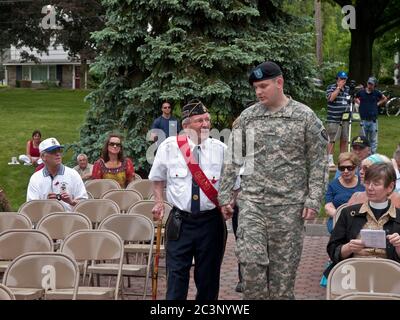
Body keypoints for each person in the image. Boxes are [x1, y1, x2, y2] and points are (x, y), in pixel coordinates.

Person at [218, 61, 329, 300]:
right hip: (253, 206)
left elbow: (319, 162)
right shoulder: (248, 117)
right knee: (251, 267)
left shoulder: (305, 117)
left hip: (289, 210)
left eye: (263, 86)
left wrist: (313, 200)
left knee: (282, 283)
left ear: (279, 83)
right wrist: (225, 196)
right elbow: (232, 159)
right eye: (256, 87)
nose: (258, 92)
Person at [149, 99, 227, 300]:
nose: (205, 124)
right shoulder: (169, 146)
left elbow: (233, 184)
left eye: (207, 120)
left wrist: (230, 202)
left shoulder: (220, 149)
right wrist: (158, 201)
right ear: (186, 125)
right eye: (200, 120)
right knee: (176, 277)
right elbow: (157, 179)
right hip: (180, 222)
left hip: (211, 223)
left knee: (208, 280)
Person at [327, 163, 400, 273]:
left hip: (390, 275)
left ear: (390, 187)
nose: (370, 188)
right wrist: (349, 247)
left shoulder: (398, 216)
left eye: (376, 184)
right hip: (353, 273)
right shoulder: (348, 213)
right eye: (367, 182)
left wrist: (399, 246)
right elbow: (332, 251)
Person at [27, 137, 88, 211]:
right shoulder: (36, 178)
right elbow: (31, 208)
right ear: (43, 157)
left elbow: (85, 205)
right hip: (44, 221)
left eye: (59, 150)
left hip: (69, 220)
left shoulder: (73, 174)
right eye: (53, 151)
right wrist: (46, 204)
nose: (58, 154)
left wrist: (71, 202)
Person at [325, 152, 365, 233]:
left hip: (361, 218)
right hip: (338, 218)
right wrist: (341, 217)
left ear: (356, 168)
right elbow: (328, 207)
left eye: (349, 168)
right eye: (342, 168)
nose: (346, 171)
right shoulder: (332, 185)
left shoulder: (364, 183)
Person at [355, 76, 387, 154]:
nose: (370, 85)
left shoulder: (377, 92)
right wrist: (359, 102)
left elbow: (384, 98)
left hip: (373, 120)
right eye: (369, 83)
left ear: (374, 85)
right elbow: (355, 97)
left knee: (373, 140)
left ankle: (373, 155)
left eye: (371, 84)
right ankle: (363, 154)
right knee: (363, 139)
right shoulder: (361, 92)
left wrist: (378, 104)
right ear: (367, 83)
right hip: (363, 119)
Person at [326, 71, 351, 168]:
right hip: (333, 118)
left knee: (344, 139)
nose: (343, 81)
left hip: (345, 119)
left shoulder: (348, 89)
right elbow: (331, 98)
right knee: (331, 139)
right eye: (341, 79)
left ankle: (342, 159)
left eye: (345, 79)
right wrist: (338, 88)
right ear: (337, 79)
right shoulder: (331, 87)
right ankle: (330, 160)